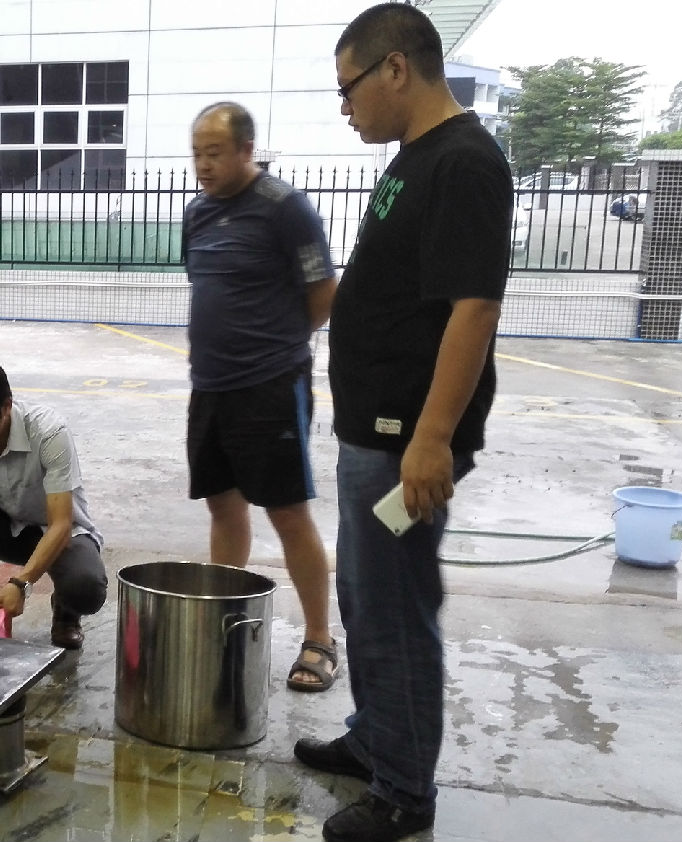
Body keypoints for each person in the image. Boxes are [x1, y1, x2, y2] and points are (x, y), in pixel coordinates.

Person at [294, 5, 511, 842]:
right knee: (365, 595)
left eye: (347, 87)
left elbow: (475, 306)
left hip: (402, 441)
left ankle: (403, 793)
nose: (345, 106)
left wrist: (430, 437)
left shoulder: (464, 163)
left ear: (394, 69)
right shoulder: (417, 159)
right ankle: (377, 738)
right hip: (372, 435)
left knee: (395, 607)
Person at [183, 102, 340, 694]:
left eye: (215, 152)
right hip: (211, 387)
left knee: (287, 512)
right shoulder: (197, 213)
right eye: (197, 153)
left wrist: (276, 348)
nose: (203, 164)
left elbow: (323, 290)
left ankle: (320, 638)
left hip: (272, 387)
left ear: (247, 150)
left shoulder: (284, 209)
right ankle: (224, 618)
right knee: (223, 507)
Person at [0, 357, 108, 650]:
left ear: (5, 407)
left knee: (86, 588)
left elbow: (61, 524)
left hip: (59, 533)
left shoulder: (48, 433)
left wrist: (21, 583)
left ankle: (67, 612)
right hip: (7, 528)